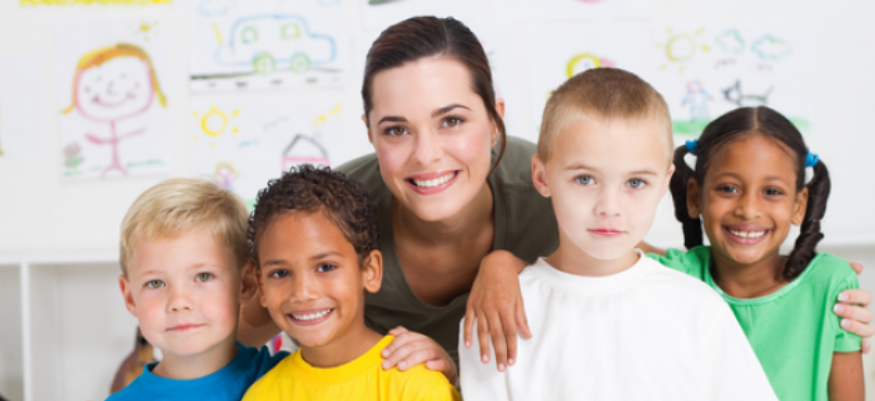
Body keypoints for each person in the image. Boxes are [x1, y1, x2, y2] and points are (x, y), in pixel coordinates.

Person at [338, 16, 874, 378]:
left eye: (452, 120)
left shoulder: (561, 180)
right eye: (396, 129)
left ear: (496, 117)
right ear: (368, 131)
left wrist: (805, 285)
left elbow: (640, 260)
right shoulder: (332, 212)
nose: (427, 155)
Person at [458, 67, 777, 400]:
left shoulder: (698, 308)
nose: (609, 207)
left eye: (635, 182)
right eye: (585, 179)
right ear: (541, 177)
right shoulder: (498, 313)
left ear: (664, 183)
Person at [652, 106, 863, 400]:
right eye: (728, 188)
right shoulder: (668, 279)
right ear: (694, 196)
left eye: (772, 192)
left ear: (799, 206)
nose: (749, 210)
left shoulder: (830, 285)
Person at [242, 165, 460, 401]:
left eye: (326, 267)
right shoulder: (260, 395)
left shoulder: (418, 388)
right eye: (281, 273)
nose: (303, 292)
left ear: (370, 271)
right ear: (261, 286)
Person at [109, 178, 287, 401]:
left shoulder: (292, 382)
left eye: (203, 276)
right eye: (155, 283)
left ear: (246, 284)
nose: (179, 301)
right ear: (130, 298)